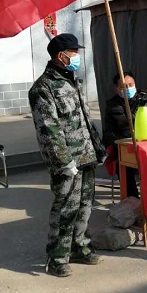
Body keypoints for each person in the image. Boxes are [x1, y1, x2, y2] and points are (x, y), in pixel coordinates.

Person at [29, 33, 106, 278]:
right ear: (61, 56)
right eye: (73, 53)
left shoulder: (73, 80)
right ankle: (57, 256)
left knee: (84, 205)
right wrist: (64, 161)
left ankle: (79, 246)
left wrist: (98, 148)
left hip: (86, 156)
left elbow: (85, 118)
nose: (77, 57)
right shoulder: (43, 88)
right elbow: (48, 129)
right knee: (65, 209)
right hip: (68, 161)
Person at [103, 72, 147, 198]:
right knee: (123, 167)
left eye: (131, 85)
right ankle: (132, 201)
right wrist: (121, 144)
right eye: (124, 86)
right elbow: (109, 132)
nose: (128, 88)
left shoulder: (146, 98)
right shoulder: (112, 105)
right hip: (125, 146)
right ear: (116, 89)